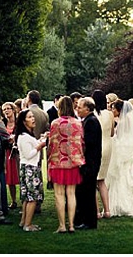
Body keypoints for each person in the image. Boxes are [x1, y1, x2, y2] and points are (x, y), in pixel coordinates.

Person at [47, 96, 84, 234]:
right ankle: (72, 225)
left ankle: (62, 225)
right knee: (71, 193)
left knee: (59, 194)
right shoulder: (78, 123)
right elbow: (81, 142)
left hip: (58, 162)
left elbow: (51, 145)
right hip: (73, 162)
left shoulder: (55, 123)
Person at [15, 109, 47, 232]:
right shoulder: (23, 137)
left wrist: (41, 139)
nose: (33, 119)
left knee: (27, 197)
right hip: (30, 168)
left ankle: (24, 221)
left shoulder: (27, 136)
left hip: (28, 167)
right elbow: (29, 154)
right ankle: (28, 225)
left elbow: (32, 147)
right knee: (32, 197)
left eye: (33, 116)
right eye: (29, 117)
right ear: (24, 121)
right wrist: (40, 146)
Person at [74, 96, 102, 230]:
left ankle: (89, 222)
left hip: (90, 162)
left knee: (88, 192)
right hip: (90, 161)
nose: (77, 109)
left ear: (87, 108)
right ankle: (84, 219)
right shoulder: (88, 120)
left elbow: (88, 143)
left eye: (79, 107)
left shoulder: (91, 122)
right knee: (85, 191)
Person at [22, 90, 50, 214]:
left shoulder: (26, 113)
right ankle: (38, 202)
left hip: (28, 147)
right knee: (38, 175)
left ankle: (29, 202)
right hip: (40, 146)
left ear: (29, 99)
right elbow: (46, 130)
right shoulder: (44, 114)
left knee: (28, 177)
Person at [92, 89, 114, 219]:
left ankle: (96, 212)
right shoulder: (110, 114)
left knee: (94, 181)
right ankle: (107, 210)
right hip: (108, 145)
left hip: (97, 146)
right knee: (102, 181)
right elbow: (112, 132)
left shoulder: (93, 114)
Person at [2, 101, 20, 209]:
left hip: (18, 153)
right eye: (4, 110)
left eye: (8, 108)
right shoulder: (2, 123)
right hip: (7, 153)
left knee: (20, 176)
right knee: (9, 179)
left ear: (13, 110)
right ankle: (13, 201)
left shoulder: (19, 123)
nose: (6, 111)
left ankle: (25, 200)